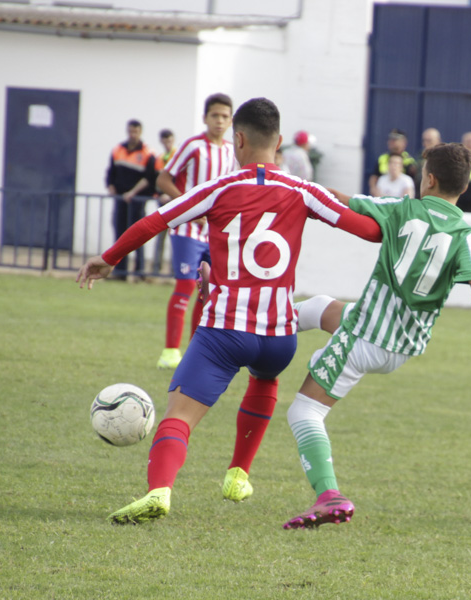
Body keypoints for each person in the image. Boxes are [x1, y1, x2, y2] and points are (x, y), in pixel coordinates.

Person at [76, 97, 383, 525]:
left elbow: (154, 222)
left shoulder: (219, 188)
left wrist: (107, 258)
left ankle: (159, 492)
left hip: (224, 330)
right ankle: (238, 474)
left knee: (179, 416)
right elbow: (370, 230)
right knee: (265, 376)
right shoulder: (304, 191)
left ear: (238, 139)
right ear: (278, 143)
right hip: (279, 336)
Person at [275, 143, 471, 529]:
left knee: (304, 411)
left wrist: (286, 183)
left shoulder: (402, 209)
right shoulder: (468, 234)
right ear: (464, 186)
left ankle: (328, 496)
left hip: (365, 337)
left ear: (429, 179)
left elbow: (341, 200)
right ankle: (264, 323)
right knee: (320, 307)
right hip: (400, 346)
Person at [153, 93, 238, 370]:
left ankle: (194, 352)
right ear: (205, 118)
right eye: (215, 115)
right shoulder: (193, 146)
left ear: (231, 120)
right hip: (187, 229)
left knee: (208, 290)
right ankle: (169, 351)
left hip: (214, 233)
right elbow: (163, 179)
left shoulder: (230, 152)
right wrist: (190, 207)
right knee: (186, 285)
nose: (220, 121)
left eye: (225, 116)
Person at [106, 119, 156, 279]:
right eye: (130, 131)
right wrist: (111, 187)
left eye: (136, 131)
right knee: (120, 236)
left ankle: (139, 272)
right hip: (121, 200)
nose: (132, 135)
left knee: (139, 235)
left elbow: (149, 178)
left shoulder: (148, 153)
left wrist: (132, 193)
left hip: (137, 201)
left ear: (140, 132)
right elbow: (111, 173)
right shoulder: (118, 150)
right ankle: (120, 272)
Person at [149, 129, 178, 276]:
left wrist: (171, 193)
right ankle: (156, 269)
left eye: (170, 140)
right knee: (160, 236)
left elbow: (180, 179)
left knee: (176, 236)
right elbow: (155, 180)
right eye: (165, 141)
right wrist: (158, 194)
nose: (167, 144)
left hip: (176, 202)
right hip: (162, 203)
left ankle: (175, 270)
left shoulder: (178, 156)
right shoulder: (159, 159)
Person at [369, 129, 418, 195]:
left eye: (395, 140)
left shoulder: (409, 160)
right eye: (390, 140)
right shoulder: (382, 158)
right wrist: (373, 188)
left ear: (403, 143)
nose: (391, 142)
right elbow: (374, 176)